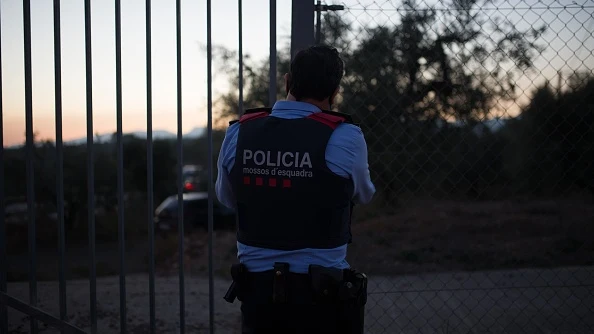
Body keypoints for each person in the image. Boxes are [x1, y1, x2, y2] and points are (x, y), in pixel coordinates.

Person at [216, 44, 376, 334]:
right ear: (335, 91)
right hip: (322, 295)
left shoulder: (239, 131)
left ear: (288, 81)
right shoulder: (345, 136)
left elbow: (227, 198)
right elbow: (363, 194)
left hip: (257, 294)